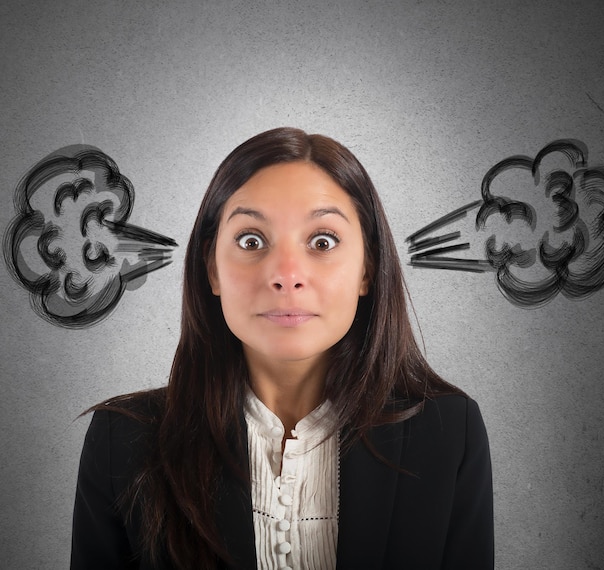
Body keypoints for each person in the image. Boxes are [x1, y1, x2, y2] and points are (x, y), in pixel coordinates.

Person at [71, 127, 494, 569]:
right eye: (251, 241)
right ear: (211, 269)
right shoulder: (121, 442)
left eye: (322, 241)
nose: (286, 274)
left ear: (367, 269)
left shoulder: (450, 435)